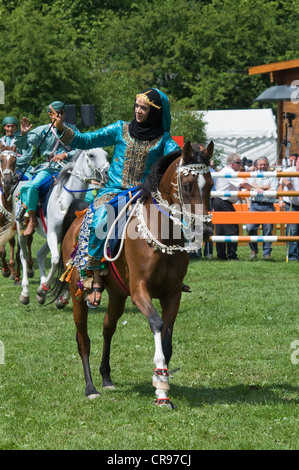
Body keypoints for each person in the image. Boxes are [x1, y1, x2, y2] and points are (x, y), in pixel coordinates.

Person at [51, 88, 181, 307]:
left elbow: (177, 156)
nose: (138, 111)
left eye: (144, 108)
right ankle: (93, 275)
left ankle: (175, 275)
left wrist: (192, 156)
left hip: (144, 194)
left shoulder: (163, 140)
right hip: (113, 191)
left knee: (174, 225)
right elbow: (85, 139)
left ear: (155, 112)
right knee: (100, 221)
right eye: (137, 106)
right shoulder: (120, 129)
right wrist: (62, 128)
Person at [14, 101, 79, 236]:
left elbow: (81, 148)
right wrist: (23, 133)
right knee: (31, 187)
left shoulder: (72, 129)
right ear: (50, 114)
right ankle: (32, 220)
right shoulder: (42, 130)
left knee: (89, 193)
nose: (60, 115)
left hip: (70, 169)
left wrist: (66, 154)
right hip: (49, 169)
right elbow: (24, 145)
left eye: (62, 113)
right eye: (57, 113)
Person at [213, 153, 258, 260]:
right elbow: (242, 183)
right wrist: (253, 189)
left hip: (221, 202)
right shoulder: (229, 172)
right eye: (239, 163)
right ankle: (231, 255)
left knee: (221, 231)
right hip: (223, 203)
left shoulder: (226, 170)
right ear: (232, 164)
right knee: (232, 230)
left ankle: (222, 255)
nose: (241, 165)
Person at [246, 156, 278, 260]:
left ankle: (266, 253)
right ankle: (254, 250)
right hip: (254, 205)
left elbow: (273, 191)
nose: (262, 166)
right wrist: (266, 187)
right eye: (261, 164)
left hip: (268, 206)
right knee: (250, 228)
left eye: (264, 164)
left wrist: (257, 188)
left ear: (268, 165)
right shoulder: (252, 175)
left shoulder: (273, 175)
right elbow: (247, 187)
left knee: (268, 230)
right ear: (257, 165)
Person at [278, 153, 299, 261]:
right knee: (293, 230)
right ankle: (292, 256)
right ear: (296, 162)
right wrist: (287, 183)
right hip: (292, 205)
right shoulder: (289, 170)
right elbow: (283, 179)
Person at [1, 116, 34, 180]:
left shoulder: (23, 139)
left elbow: (27, 155)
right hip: (4, 170)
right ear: (4, 127)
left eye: (12, 126)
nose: (10, 129)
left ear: (16, 127)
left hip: (22, 169)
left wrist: (12, 162)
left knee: (31, 181)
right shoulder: (1, 141)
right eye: (8, 126)